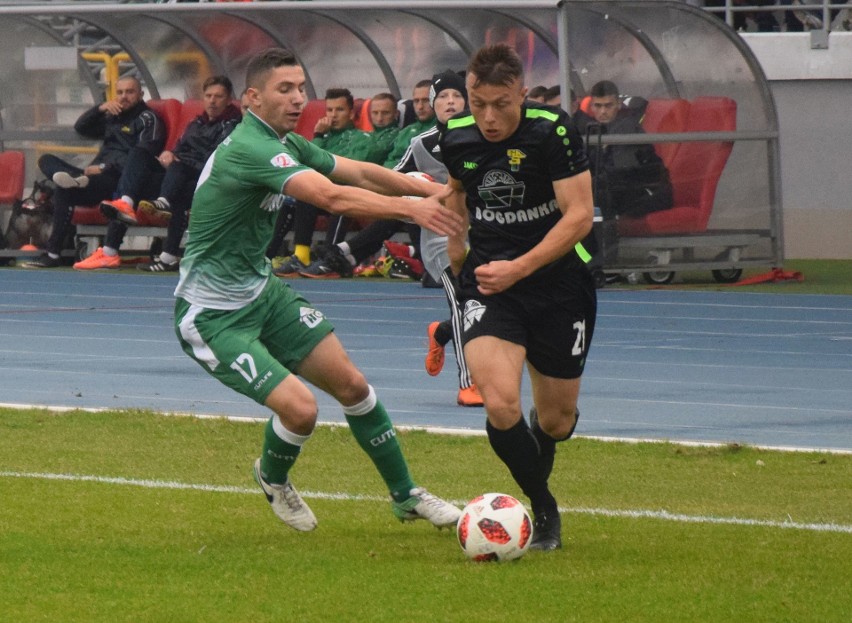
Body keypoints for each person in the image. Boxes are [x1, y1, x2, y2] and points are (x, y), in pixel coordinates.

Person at [173, 47, 463, 532]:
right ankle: (272, 477)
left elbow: (361, 172)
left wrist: (431, 190)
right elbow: (330, 196)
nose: (297, 98)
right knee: (302, 411)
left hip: (261, 294)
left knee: (353, 386)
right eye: (284, 89)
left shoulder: (285, 140)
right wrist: (413, 210)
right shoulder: (251, 147)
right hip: (212, 315)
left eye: (300, 89)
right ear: (252, 98)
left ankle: (406, 495)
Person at [440, 44, 597, 551]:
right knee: (501, 402)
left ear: (521, 95)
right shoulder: (455, 136)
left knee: (556, 419)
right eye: (477, 102)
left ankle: (541, 448)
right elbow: (457, 195)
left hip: (559, 286)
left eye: (501, 103)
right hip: (490, 287)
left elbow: (578, 216)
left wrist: (521, 267)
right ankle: (543, 507)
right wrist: (458, 251)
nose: (487, 116)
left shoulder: (552, 131)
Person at [78, 75, 241, 272]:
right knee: (139, 157)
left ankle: (167, 250)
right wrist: (169, 154)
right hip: (176, 174)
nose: (212, 101)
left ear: (229, 98)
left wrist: (180, 161)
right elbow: (180, 147)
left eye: (218, 96)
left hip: (203, 179)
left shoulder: (233, 125)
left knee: (178, 182)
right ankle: (115, 236)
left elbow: (215, 159)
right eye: (208, 96)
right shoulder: (197, 123)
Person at [24, 76, 164, 268]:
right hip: (93, 178)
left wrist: (104, 167)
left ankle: (74, 181)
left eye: (129, 92)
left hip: (118, 179)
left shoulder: (148, 118)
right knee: (47, 161)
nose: (123, 97)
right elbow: (81, 127)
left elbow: (143, 156)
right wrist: (100, 108)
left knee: (66, 189)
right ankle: (53, 254)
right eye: (120, 92)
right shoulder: (113, 116)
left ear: (141, 94)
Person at [275, 87, 376, 276]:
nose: (334, 115)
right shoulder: (323, 137)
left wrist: (320, 170)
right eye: (330, 110)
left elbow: (346, 172)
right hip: (322, 194)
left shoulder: (362, 138)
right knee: (301, 192)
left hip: (343, 193)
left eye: (340, 110)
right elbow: (302, 165)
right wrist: (319, 136)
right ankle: (291, 255)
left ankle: (329, 258)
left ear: (351, 113)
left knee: (342, 193)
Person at [573, 80, 673, 220]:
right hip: (624, 189)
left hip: (648, 191)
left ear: (618, 105)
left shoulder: (627, 129)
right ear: (592, 107)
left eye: (608, 106)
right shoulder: (595, 130)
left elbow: (623, 173)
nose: (603, 111)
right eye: (598, 106)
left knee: (596, 194)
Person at [382, 79, 436, 169]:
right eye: (416, 101)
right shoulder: (405, 132)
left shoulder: (442, 130)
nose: (420, 107)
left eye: (426, 100)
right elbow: (391, 160)